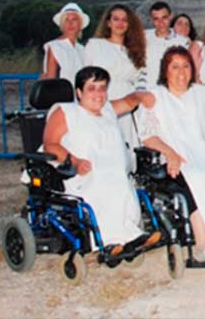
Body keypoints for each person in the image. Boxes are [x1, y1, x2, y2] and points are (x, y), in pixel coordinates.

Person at [138, 47, 205, 262]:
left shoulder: (202, 93)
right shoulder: (155, 96)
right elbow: (148, 135)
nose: (181, 72)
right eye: (175, 66)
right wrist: (171, 153)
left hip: (203, 152)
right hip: (172, 154)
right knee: (192, 177)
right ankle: (204, 241)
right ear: (165, 70)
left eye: (186, 66)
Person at [41, 66, 160, 254]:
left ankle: (131, 236)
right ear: (79, 92)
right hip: (78, 173)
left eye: (102, 88)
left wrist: (140, 96)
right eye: (91, 88)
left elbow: (129, 102)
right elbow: (50, 144)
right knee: (103, 184)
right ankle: (110, 240)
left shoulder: (107, 110)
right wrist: (75, 161)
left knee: (122, 182)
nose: (98, 94)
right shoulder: (66, 112)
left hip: (111, 172)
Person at [84, 4, 146, 148]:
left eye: (124, 20)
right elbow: (86, 76)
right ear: (108, 22)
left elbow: (140, 79)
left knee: (126, 143)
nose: (120, 23)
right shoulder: (95, 45)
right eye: (116, 19)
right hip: (102, 98)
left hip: (127, 102)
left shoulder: (135, 50)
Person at [144, 1, 189, 89]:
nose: (161, 23)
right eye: (156, 19)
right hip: (147, 91)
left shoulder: (182, 42)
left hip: (172, 91)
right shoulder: (143, 38)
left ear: (171, 16)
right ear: (151, 20)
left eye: (164, 18)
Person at [41, 2, 88, 84]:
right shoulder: (54, 47)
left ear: (80, 24)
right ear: (62, 24)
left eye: (74, 19)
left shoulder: (82, 49)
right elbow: (51, 80)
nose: (70, 23)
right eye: (67, 19)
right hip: (61, 95)